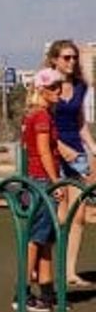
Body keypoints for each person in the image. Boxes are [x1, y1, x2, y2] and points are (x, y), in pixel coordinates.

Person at [45, 39, 94, 285]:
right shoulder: (47, 86)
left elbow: (80, 122)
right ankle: (46, 271)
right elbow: (43, 121)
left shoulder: (81, 86)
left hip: (76, 153)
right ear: (54, 59)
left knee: (78, 214)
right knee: (58, 214)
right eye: (66, 57)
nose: (71, 62)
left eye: (74, 57)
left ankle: (70, 272)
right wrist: (60, 147)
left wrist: (92, 147)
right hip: (53, 153)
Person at [18, 67, 64, 312]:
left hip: (35, 179)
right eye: (54, 87)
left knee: (45, 238)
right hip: (41, 180)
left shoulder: (34, 116)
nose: (59, 91)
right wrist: (55, 180)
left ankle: (47, 294)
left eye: (60, 86)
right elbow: (44, 151)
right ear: (42, 90)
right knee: (36, 238)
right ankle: (22, 292)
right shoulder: (42, 117)